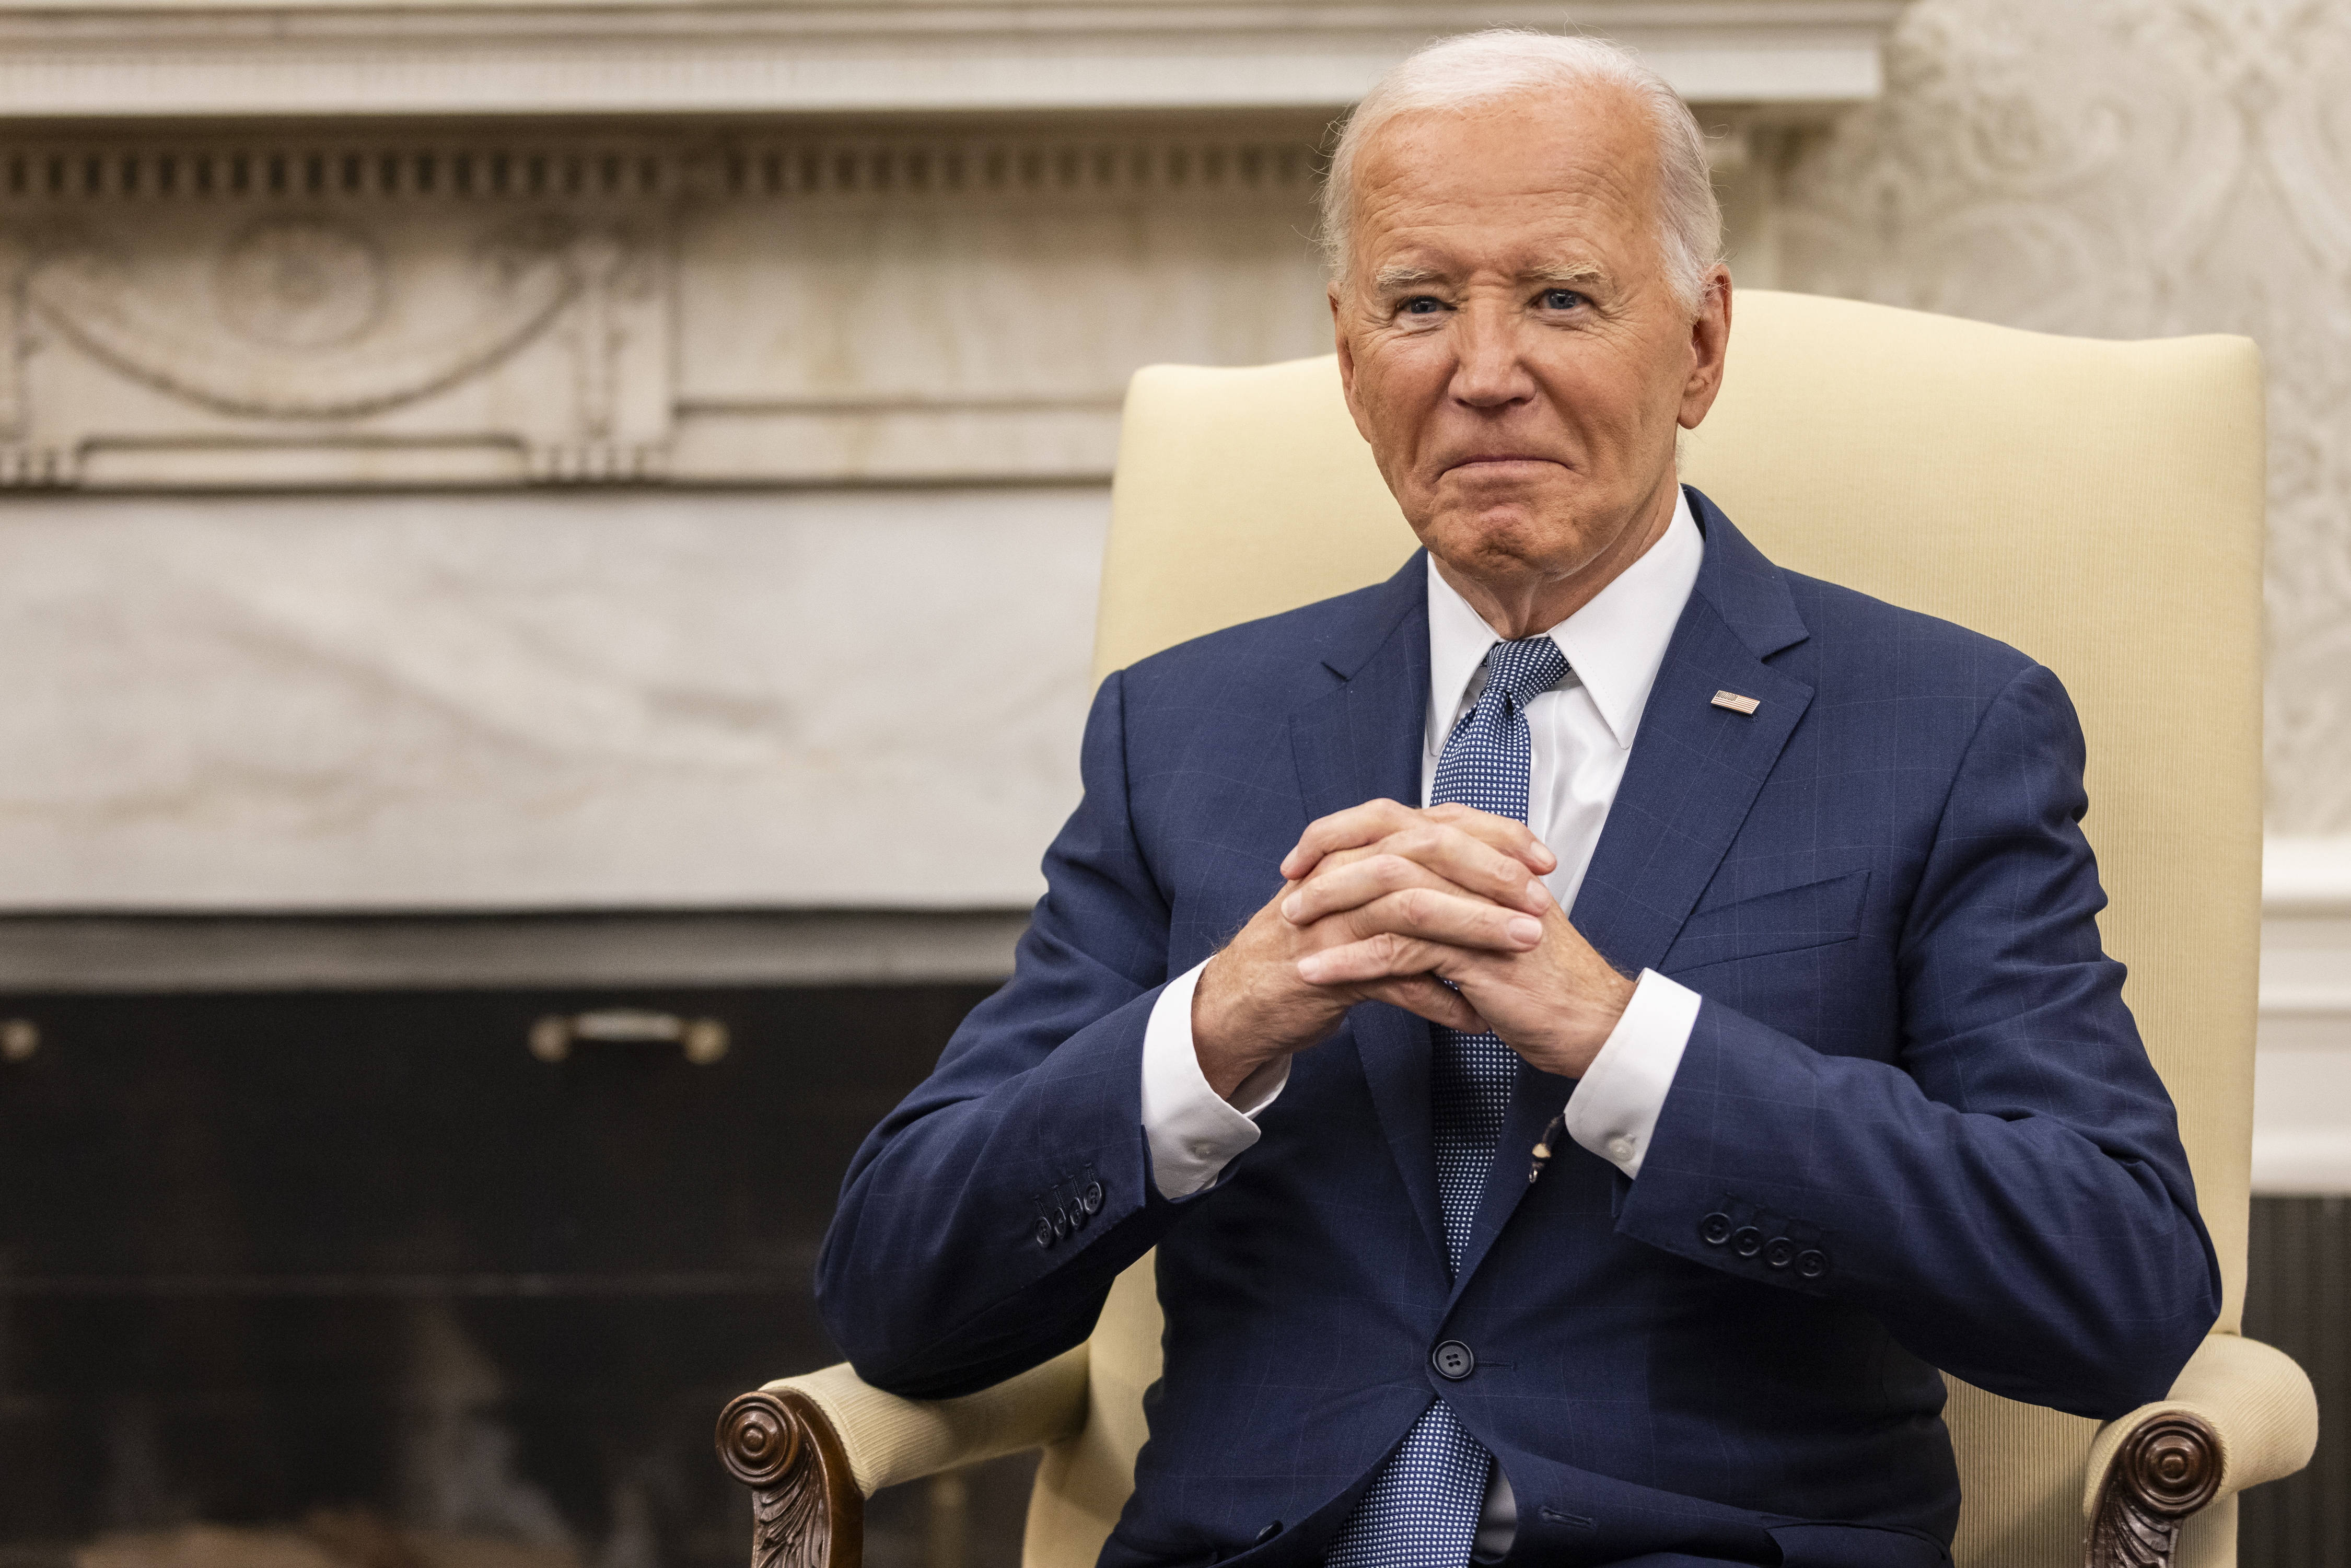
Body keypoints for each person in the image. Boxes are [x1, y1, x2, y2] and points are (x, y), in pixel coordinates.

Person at [814, 29, 2218, 1568]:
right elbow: (899, 1291)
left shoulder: (1942, 725)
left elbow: (2116, 1288)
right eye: (1419, 307)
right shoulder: (1185, 729)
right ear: (1352, 362)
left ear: (1697, 344)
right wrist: (1218, 1021)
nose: (1482, 373)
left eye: (1559, 296)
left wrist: (1622, 1038)